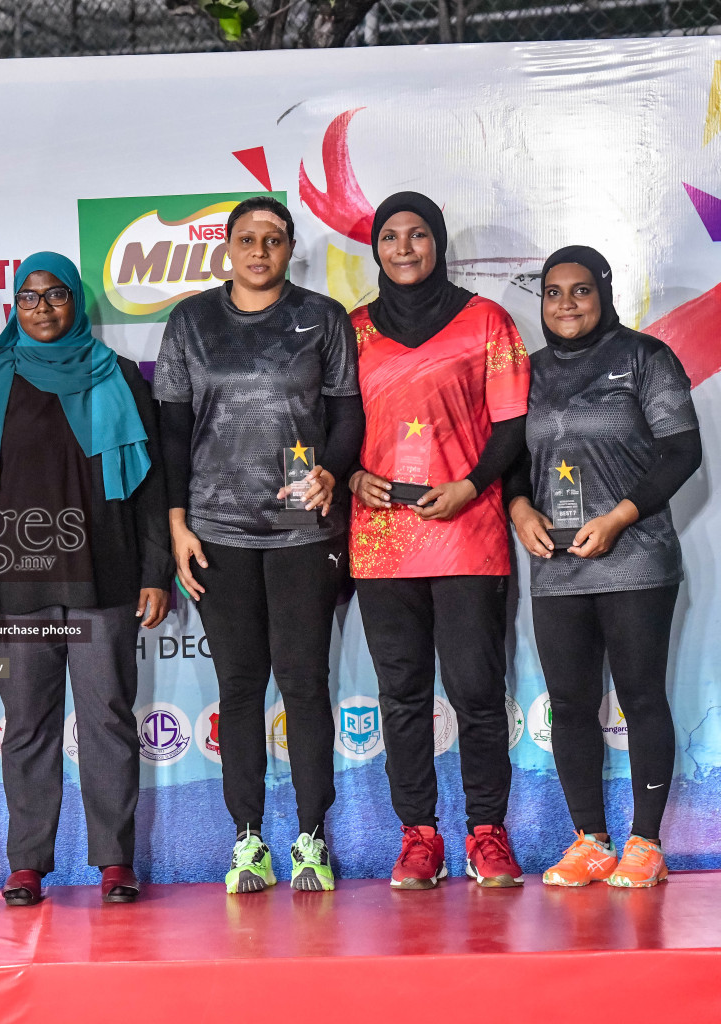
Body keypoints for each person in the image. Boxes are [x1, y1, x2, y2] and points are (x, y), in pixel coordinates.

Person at [0, 251, 169, 906]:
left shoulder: (119, 376)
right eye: (29, 298)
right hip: (16, 586)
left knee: (106, 720)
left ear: (76, 302)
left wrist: (156, 571)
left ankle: (114, 862)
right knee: (26, 727)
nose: (43, 309)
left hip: (107, 579)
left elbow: (152, 488)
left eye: (56, 295)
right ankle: (26, 863)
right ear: (15, 307)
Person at [154, 198, 363, 893]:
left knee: (304, 684)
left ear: (288, 248)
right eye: (246, 239)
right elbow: (175, 429)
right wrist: (178, 522)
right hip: (218, 530)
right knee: (240, 687)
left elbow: (347, 413)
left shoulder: (323, 317)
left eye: (273, 240)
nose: (259, 251)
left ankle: (310, 838)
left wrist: (333, 468)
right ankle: (248, 841)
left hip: (305, 530)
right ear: (227, 247)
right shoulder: (192, 322)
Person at [347, 192, 530, 889]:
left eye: (417, 234)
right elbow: (330, 422)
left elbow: (513, 425)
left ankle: (487, 832)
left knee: (477, 691)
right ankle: (418, 836)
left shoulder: (487, 322)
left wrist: (472, 484)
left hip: (467, 531)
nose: (403, 248)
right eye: (390, 236)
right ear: (376, 249)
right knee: (402, 694)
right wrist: (352, 473)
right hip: (381, 539)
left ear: (438, 241)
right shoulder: (354, 330)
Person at [506, 246, 700, 889]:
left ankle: (646, 843)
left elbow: (681, 452)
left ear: (604, 293)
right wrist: (518, 508)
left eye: (581, 290)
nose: (566, 304)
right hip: (557, 567)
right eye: (554, 292)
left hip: (636, 561)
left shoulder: (645, 358)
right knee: (570, 702)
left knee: (642, 696)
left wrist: (620, 516)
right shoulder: (526, 373)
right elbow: (507, 456)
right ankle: (590, 840)